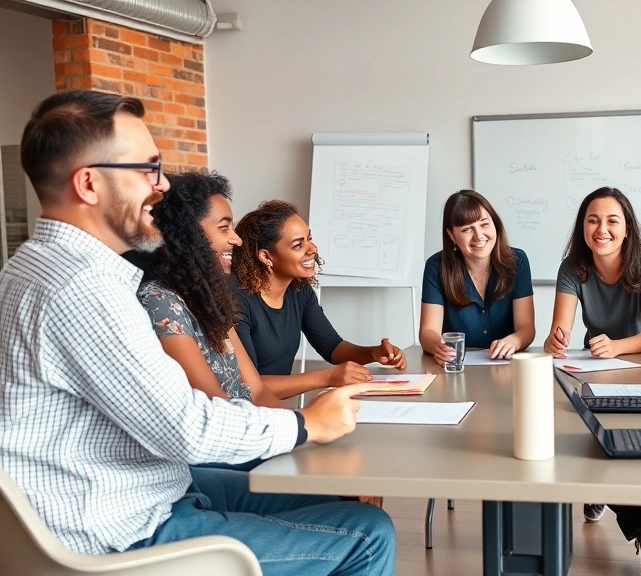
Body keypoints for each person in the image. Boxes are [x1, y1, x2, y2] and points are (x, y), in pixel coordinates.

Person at [0, 90, 395, 575]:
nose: (163, 186)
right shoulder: (83, 288)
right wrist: (306, 424)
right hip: (123, 528)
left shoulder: (34, 268)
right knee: (368, 536)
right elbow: (187, 428)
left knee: (338, 495)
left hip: (146, 487)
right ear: (88, 184)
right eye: (148, 169)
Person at [543, 186, 641, 574]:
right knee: (589, 429)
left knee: (633, 435)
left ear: (626, 228)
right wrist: (556, 340)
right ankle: (624, 505)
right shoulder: (573, 266)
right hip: (602, 362)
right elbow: (560, 331)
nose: (601, 229)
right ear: (582, 227)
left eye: (611, 220)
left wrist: (617, 345)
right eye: (592, 220)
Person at [232, 200, 407, 399]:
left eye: (309, 239)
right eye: (298, 245)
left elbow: (331, 346)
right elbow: (249, 386)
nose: (312, 249)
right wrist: (328, 377)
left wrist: (373, 353)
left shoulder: (299, 290)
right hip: (240, 414)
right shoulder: (237, 302)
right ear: (266, 256)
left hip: (272, 409)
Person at [137, 171, 283, 408]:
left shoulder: (211, 301)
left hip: (253, 432)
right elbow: (215, 405)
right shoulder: (161, 304)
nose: (237, 240)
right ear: (188, 236)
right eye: (224, 228)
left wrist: (305, 427)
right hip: (230, 436)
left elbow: (258, 392)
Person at [420, 189, 535, 365]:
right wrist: (438, 346)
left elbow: (526, 328)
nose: (479, 236)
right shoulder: (436, 267)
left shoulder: (517, 261)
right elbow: (428, 331)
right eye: (466, 229)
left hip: (507, 366)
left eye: (484, 224)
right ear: (452, 235)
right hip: (455, 368)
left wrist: (513, 341)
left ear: (495, 224)